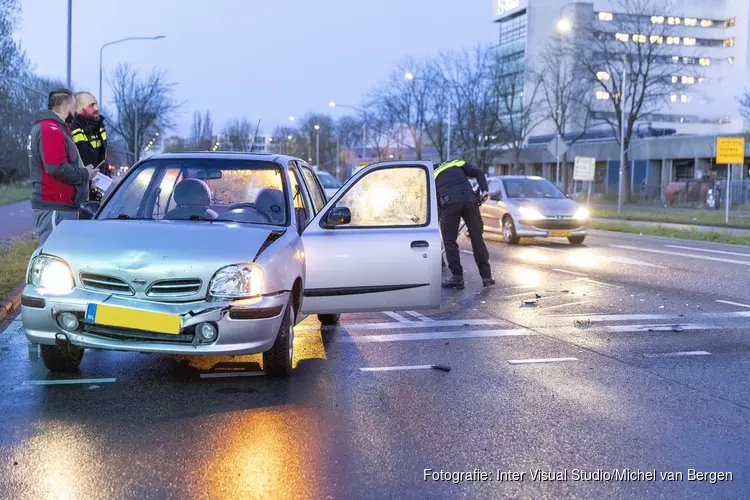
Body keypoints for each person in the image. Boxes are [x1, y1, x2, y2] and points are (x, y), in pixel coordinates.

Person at [28, 89, 98, 245]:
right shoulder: (50, 129)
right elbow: (56, 167)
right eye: (74, 107)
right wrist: (85, 174)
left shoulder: (55, 129)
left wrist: (85, 176)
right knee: (54, 254)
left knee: (63, 255)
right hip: (55, 207)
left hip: (61, 206)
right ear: (66, 106)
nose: (76, 112)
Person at [435, 159, 494, 289]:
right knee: (477, 238)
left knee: (450, 241)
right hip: (470, 200)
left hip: (450, 203)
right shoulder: (456, 162)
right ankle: (487, 277)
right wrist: (484, 190)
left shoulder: (430, 172)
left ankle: (457, 278)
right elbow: (478, 172)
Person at [71, 92, 108, 200]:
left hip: (95, 190)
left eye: (96, 104)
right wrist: (87, 181)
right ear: (77, 109)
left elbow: (102, 155)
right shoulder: (71, 128)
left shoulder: (99, 126)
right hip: (77, 193)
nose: (96, 108)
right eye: (91, 105)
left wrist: (106, 176)